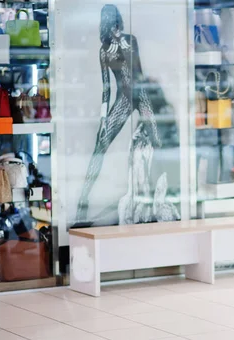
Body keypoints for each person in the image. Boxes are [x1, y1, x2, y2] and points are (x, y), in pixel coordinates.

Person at [76, 4, 161, 224]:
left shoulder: (131, 40)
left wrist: (127, 49)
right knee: (100, 146)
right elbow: (106, 88)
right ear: (106, 25)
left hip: (140, 94)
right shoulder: (103, 51)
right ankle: (81, 207)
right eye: (111, 24)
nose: (115, 28)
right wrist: (103, 118)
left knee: (158, 141)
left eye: (117, 23)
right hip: (122, 99)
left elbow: (139, 74)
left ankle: (157, 201)